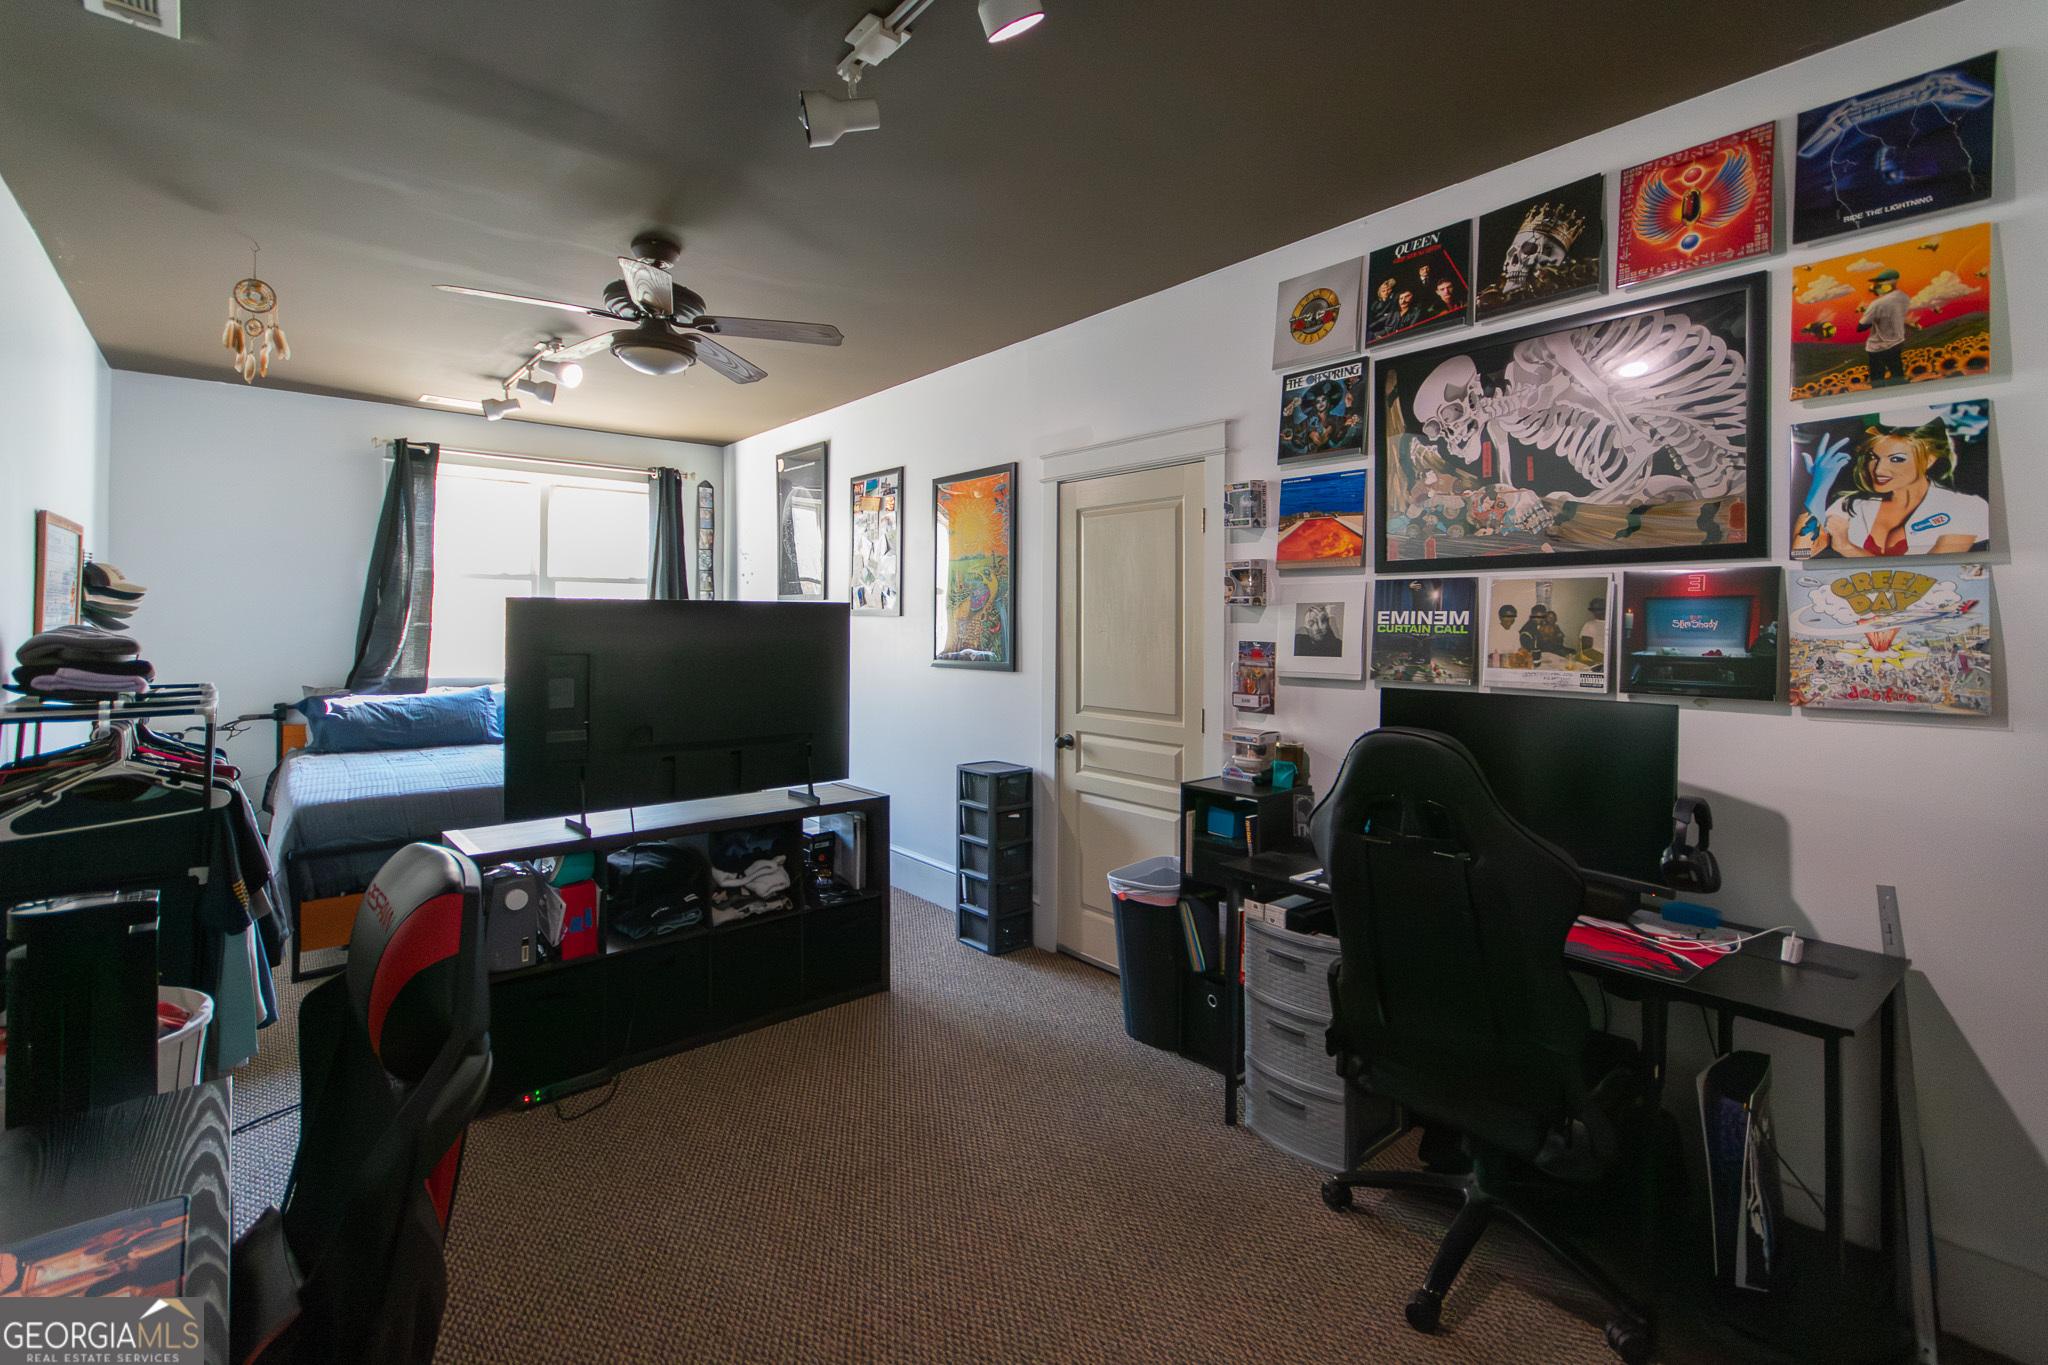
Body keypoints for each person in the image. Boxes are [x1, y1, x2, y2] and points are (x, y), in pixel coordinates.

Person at [1793, 418, 1989, 557]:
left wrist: (1846, 547)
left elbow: (1934, 576)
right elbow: (1802, 552)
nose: (1879, 469)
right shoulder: (1851, 504)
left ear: (1929, 460)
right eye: (1873, 457)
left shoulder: (1966, 507)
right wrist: (1819, 486)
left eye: (1896, 459)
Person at [1856, 268, 1914, 387]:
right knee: (1897, 376)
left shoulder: (1877, 304)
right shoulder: (1904, 297)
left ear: (1889, 283)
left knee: (1877, 381)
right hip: (1896, 342)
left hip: (1877, 347)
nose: (1876, 285)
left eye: (1880, 282)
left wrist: (1866, 312)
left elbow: (1861, 327)